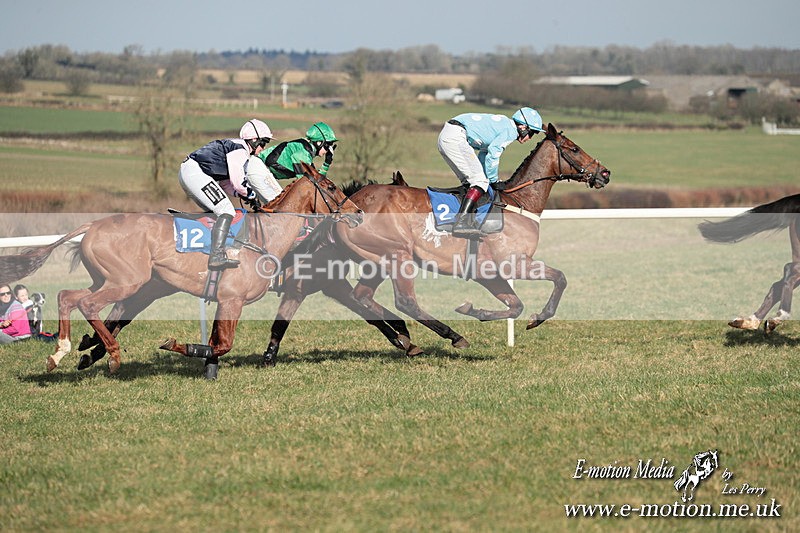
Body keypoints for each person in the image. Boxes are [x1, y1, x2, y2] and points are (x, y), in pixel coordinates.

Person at [179, 119, 274, 270]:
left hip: (191, 172)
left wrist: (242, 194)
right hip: (195, 173)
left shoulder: (236, 148)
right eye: (263, 143)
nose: (263, 148)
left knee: (217, 211)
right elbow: (238, 182)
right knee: (226, 210)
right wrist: (251, 196)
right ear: (254, 140)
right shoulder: (240, 149)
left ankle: (206, 249)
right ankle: (216, 255)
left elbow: (226, 184)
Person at [438, 107, 544, 236]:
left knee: (472, 182)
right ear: (523, 127)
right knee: (479, 181)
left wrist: (487, 178)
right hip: (456, 136)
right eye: (532, 133)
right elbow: (493, 154)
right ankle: (461, 222)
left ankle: (466, 218)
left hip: (449, 134)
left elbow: (485, 154)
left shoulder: (505, 125)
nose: (530, 138)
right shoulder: (510, 131)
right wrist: (493, 180)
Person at [259, 122, 338, 181]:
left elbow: (317, 179)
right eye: (328, 145)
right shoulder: (304, 154)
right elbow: (307, 182)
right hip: (260, 168)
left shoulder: (307, 152)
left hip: (263, 171)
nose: (329, 150)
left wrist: (327, 163)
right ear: (319, 143)